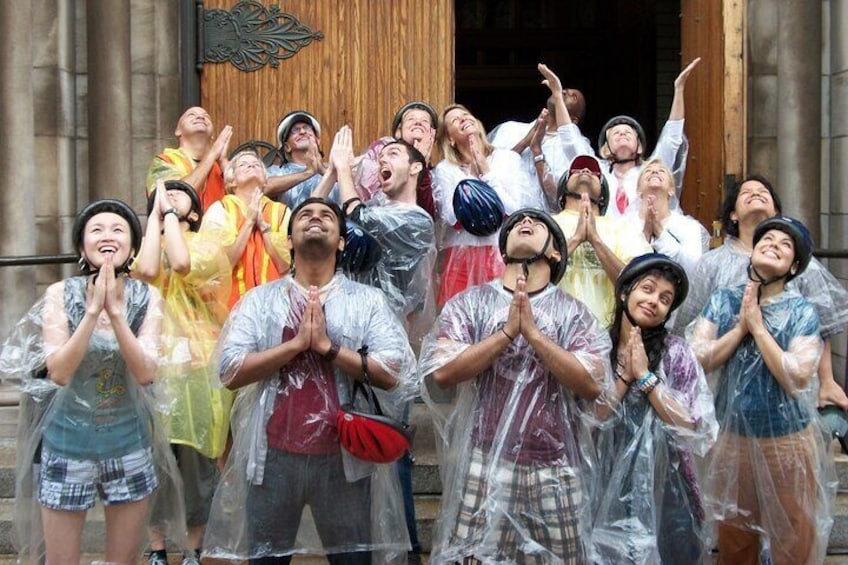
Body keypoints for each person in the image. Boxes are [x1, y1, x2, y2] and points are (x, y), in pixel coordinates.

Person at [203, 197, 417, 564]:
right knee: (266, 560)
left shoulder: (368, 302)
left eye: (326, 217)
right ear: (288, 241)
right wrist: (296, 346)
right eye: (304, 215)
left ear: (342, 241)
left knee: (353, 561)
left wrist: (328, 349)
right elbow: (229, 371)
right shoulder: (259, 301)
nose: (315, 219)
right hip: (272, 457)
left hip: (344, 459)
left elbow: (394, 372)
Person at [419, 208, 611, 564]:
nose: (526, 223)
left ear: (555, 253)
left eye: (538, 224)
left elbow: (592, 383)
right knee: (470, 559)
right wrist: (507, 333)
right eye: (518, 223)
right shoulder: (470, 303)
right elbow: (442, 371)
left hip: (555, 465)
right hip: (486, 459)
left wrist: (534, 335)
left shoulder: (576, 313)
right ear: (503, 249)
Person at [0, 200, 184, 563]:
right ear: (82, 245)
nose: (108, 236)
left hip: (129, 444)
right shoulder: (60, 294)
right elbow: (59, 371)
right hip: (67, 446)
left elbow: (146, 372)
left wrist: (116, 314)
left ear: (131, 245)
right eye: (96, 229)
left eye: (118, 229)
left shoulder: (148, 298)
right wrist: (90, 314)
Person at [689, 216, 836, 564]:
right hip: (733, 439)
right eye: (766, 239)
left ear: (794, 266)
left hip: (787, 441)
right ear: (752, 251)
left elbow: (797, 376)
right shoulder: (724, 300)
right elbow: (698, 358)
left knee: (793, 540)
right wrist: (741, 327)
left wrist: (757, 327)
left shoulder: (802, 311)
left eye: (785, 245)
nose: (773, 244)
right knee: (735, 540)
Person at [321, 127, 435, 564]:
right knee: (345, 450)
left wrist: (347, 169)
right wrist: (334, 172)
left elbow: (360, 222)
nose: (381, 161)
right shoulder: (369, 205)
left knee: (389, 453)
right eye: (379, 156)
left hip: (385, 349)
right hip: (341, 340)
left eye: (392, 153)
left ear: (416, 166)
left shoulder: (418, 219)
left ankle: (404, 552)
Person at [674, 175, 848, 409]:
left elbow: (822, 328)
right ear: (733, 214)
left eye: (763, 191)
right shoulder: (711, 264)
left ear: (776, 211)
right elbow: (689, 324)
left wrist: (827, 381)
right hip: (724, 392)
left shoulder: (802, 265)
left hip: (786, 395)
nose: (756, 193)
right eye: (746, 192)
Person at [592, 253, 717, 564]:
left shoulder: (678, 354)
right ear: (625, 292)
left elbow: (692, 425)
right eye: (647, 289)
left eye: (665, 299)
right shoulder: (595, 347)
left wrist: (647, 379)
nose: (654, 301)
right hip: (602, 480)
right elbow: (587, 421)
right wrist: (625, 377)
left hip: (668, 488)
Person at [135, 180, 233, 565]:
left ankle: (193, 548)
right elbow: (145, 270)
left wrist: (170, 215)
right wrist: (155, 222)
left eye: (179, 195)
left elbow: (180, 263)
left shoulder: (207, 245)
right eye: (163, 196)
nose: (169, 196)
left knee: (195, 466)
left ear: (194, 212)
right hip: (154, 366)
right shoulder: (146, 246)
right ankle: (157, 549)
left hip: (196, 367)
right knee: (154, 460)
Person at [546, 59, 700, 218]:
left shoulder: (650, 172)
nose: (622, 133)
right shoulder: (598, 173)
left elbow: (672, 138)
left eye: (628, 132)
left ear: (639, 147)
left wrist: (679, 89)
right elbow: (570, 140)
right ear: (606, 149)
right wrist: (558, 95)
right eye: (615, 133)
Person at [432, 103, 528, 305]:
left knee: (500, 321)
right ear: (449, 139)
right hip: (460, 259)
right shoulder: (445, 169)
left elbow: (514, 211)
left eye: (466, 114)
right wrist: (473, 179)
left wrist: (487, 174)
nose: (464, 118)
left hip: (501, 255)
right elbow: (451, 218)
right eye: (455, 120)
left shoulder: (508, 159)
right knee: (458, 327)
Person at [552, 154, 652, 327]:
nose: (585, 171)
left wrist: (596, 241)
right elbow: (530, 276)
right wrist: (575, 240)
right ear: (563, 188)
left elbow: (639, 285)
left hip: (606, 336)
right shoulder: (545, 223)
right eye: (576, 170)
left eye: (594, 172)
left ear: (603, 193)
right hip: (552, 332)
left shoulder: (623, 229)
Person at [200, 150, 292, 308]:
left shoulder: (282, 212)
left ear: (264, 180)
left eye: (256, 164)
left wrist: (265, 232)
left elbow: (286, 268)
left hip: (275, 308)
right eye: (243, 164)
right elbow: (220, 268)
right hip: (232, 310)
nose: (251, 165)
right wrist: (249, 221)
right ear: (231, 182)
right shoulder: (220, 210)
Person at [489, 70, 588, 212]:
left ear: (573, 120)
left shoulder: (575, 149)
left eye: (574, 97)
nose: (564, 92)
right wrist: (524, 143)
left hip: (545, 226)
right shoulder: (510, 129)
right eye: (563, 91)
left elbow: (559, 200)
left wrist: (537, 152)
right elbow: (489, 174)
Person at [628, 158, 709, 325]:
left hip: (673, 318)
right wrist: (645, 234)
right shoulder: (623, 225)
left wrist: (659, 232)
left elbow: (693, 267)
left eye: (661, 171)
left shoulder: (689, 226)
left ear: (672, 189)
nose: (655, 172)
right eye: (648, 171)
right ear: (638, 190)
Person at [355, 101, 438, 218]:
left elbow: (427, 216)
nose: (418, 122)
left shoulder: (435, 174)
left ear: (432, 134)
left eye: (425, 121)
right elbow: (372, 200)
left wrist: (421, 169)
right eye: (411, 119)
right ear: (399, 131)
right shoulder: (382, 150)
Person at [147, 106, 232, 211]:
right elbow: (173, 201)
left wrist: (223, 161)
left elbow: (244, 202)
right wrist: (212, 154)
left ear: (212, 135)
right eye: (191, 115)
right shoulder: (164, 161)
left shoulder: (220, 166)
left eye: (206, 116)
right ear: (178, 131)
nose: (200, 117)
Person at [265, 110, 339, 208]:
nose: (303, 132)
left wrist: (322, 170)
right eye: (295, 130)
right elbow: (264, 187)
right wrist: (307, 173)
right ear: (287, 147)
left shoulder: (336, 169)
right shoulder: (277, 171)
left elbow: (353, 185)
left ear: (317, 140)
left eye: (307, 128)